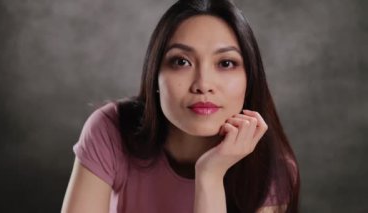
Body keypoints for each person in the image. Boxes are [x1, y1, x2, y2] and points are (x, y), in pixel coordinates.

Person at [61, 0, 300, 212]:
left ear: (250, 79)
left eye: (226, 63)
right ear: (155, 76)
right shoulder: (112, 128)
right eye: (181, 62)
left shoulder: (271, 167)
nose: (203, 85)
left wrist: (210, 175)